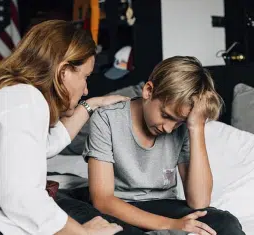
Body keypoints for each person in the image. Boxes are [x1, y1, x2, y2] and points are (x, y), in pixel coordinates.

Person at [0, 20, 128, 235]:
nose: (86, 89)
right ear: (64, 71)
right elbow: (20, 197)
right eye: (85, 77)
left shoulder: (14, 96)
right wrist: (83, 234)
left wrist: (92, 105)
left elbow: (45, 145)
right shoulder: (24, 100)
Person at [82, 56, 246, 235]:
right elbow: (103, 200)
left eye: (179, 122)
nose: (168, 129)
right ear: (148, 91)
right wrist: (171, 225)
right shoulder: (106, 118)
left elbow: (199, 202)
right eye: (166, 116)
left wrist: (195, 127)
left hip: (165, 204)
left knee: (225, 223)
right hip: (120, 207)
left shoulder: (184, 128)